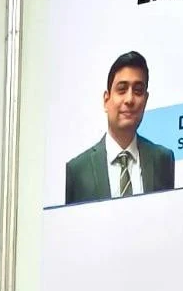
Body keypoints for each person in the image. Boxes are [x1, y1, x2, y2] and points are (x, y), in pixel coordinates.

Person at [65, 53, 175, 206]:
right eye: (122, 90)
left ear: (145, 100)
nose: (129, 99)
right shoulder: (77, 171)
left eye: (138, 91)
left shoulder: (163, 160)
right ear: (106, 100)